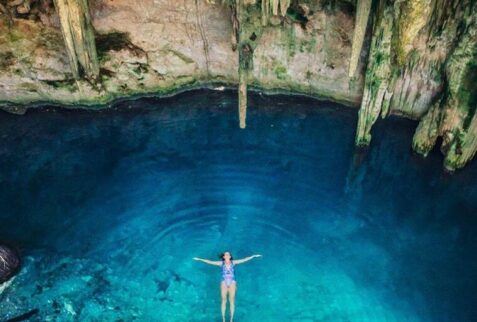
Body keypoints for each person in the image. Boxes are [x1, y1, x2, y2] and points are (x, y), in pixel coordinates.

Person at [193, 251, 262, 322]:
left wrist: (253, 256)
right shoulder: (221, 263)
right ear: (224, 257)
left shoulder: (233, 262)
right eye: (226, 254)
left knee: (232, 300)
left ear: (230, 256)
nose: (227, 255)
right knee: (223, 300)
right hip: (224, 282)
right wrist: (200, 259)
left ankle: (231, 319)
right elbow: (210, 262)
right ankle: (223, 319)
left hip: (232, 282)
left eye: (228, 254)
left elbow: (244, 260)